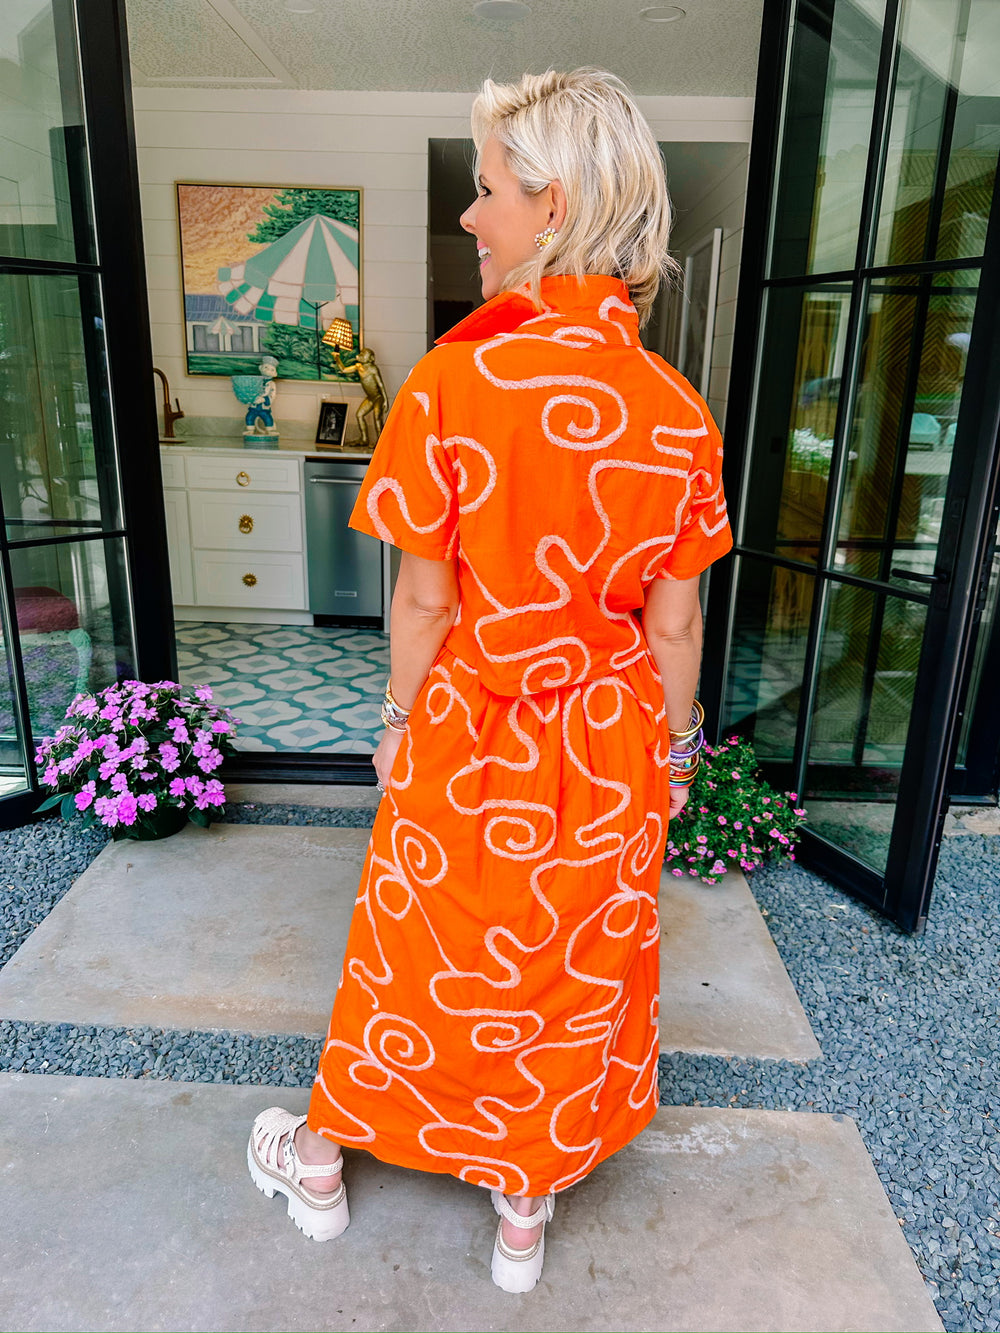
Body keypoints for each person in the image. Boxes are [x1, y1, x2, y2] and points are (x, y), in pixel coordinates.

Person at [247, 68, 732, 1293]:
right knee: (570, 960)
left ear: (551, 204)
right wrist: (674, 756)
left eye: (486, 190)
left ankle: (319, 1164)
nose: (469, 215)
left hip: (473, 722)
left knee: (416, 948)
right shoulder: (678, 412)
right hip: (609, 738)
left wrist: (396, 722)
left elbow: (424, 601)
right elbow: (675, 625)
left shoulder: (454, 383)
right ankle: (523, 1203)